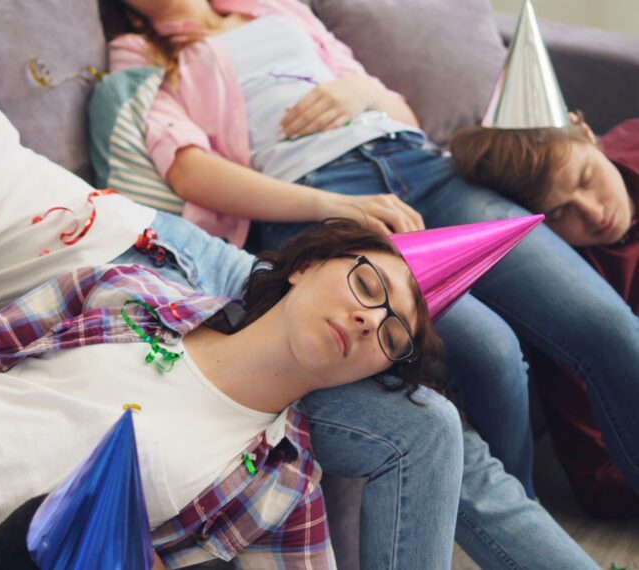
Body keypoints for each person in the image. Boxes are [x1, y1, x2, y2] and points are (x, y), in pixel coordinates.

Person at [0, 23, 594, 568]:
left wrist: (337, 209)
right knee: (425, 428)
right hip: (111, 306)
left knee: (477, 352)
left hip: (180, 252)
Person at [100, 0, 639, 512]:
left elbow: (398, 107)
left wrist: (361, 91)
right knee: (493, 353)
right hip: (317, 194)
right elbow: (188, 170)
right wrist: (332, 203)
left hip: (422, 161)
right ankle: (527, 531)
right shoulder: (137, 53)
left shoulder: (277, 9)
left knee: (610, 327)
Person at [0, 221, 449, 569]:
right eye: (367, 288)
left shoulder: (281, 488)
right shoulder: (132, 292)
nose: (369, 321)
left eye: (392, 335)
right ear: (306, 267)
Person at [450, 116, 639, 517]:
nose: (592, 213)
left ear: (587, 131)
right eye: (558, 214)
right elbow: (597, 479)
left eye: (587, 178)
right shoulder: (573, 300)